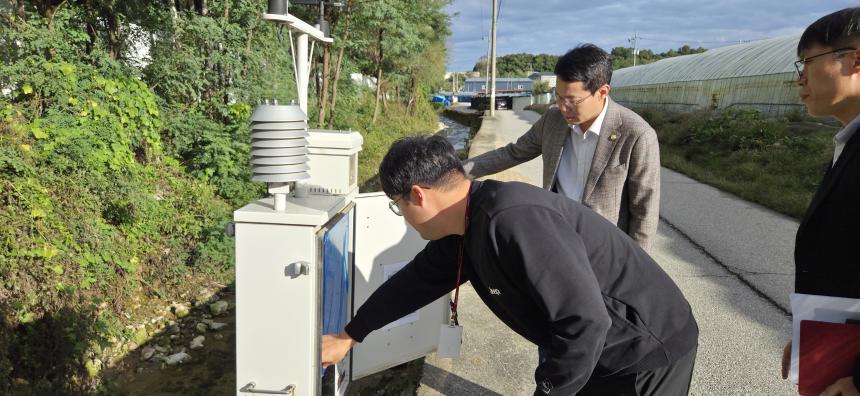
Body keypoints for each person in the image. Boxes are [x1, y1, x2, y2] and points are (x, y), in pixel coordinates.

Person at [322, 135, 698, 395]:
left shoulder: (513, 219)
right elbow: (413, 283)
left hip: (645, 349)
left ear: (418, 195)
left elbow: (584, 321)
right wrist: (349, 335)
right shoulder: (464, 226)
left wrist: (547, 390)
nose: (401, 214)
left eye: (397, 204)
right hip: (599, 351)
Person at [462, 44, 661, 252]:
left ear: (602, 92)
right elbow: (512, 153)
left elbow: (644, 211)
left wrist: (635, 268)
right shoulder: (553, 120)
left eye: (572, 100)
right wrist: (458, 172)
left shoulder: (637, 134)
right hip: (556, 238)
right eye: (558, 97)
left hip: (604, 249)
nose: (563, 107)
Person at [779, 7, 860, 396]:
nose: (799, 80)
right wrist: (813, 337)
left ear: (855, 59)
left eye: (806, 63)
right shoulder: (849, 142)